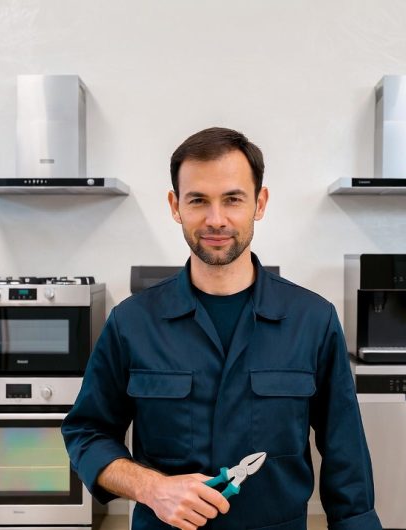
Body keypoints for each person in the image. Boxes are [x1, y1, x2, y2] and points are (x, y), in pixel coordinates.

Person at [62, 127, 381, 530]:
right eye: (198, 200)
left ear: (259, 203)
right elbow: (86, 433)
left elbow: (345, 453)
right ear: (175, 206)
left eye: (232, 199)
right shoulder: (131, 322)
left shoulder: (313, 320)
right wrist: (151, 488)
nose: (216, 220)